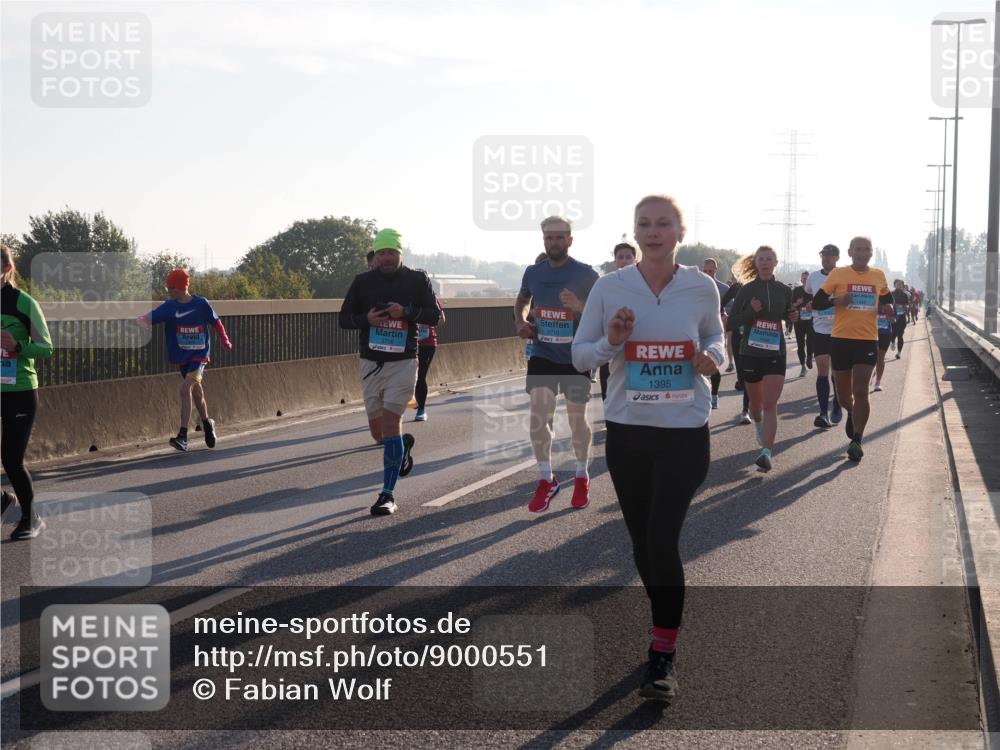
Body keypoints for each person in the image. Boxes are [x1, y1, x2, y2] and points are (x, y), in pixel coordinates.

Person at [572, 194, 723, 701]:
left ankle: (662, 656)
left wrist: (712, 358)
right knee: (641, 544)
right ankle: (664, 617)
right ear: (635, 232)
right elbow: (579, 355)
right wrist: (612, 341)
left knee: (662, 540)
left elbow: (715, 336)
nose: (653, 231)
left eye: (663, 224)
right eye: (644, 224)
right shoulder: (609, 286)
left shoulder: (701, 288)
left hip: (684, 431)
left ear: (680, 231)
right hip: (628, 432)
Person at [340, 228, 439, 516]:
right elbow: (344, 319)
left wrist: (406, 312)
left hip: (404, 361)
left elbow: (434, 316)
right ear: (376, 254)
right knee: (378, 431)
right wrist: (366, 319)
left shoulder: (417, 279)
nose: (386, 257)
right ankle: (401, 448)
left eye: (391, 252)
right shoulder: (362, 282)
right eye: (381, 252)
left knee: (393, 421)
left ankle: (387, 494)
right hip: (371, 361)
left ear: (400, 253)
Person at [515, 216, 599, 512]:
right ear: (544, 241)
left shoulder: (587, 274)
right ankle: (546, 478)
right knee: (538, 417)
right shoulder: (533, 272)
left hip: (576, 355)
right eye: (548, 238)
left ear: (570, 240)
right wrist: (521, 320)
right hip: (543, 354)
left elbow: (603, 312)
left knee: (578, 421)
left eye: (559, 238)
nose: (553, 243)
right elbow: (522, 299)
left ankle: (581, 474)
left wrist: (579, 307)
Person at [811, 236, 893, 462]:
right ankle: (850, 411)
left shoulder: (878, 275)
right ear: (850, 252)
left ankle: (857, 439)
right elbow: (817, 303)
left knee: (861, 390)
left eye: (867, 249)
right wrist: (837, 301)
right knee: (844, 396)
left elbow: (888, 300)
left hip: (867, 340)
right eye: (858, 249)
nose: (862, 252)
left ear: (871, 253)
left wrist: (888, 308)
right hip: (840, 340)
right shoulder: (838, 274)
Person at [137, 269, 232, 452]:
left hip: (199, 355)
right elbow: (150, 317)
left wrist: (225, 339)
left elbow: (216, 322)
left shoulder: (201, 304)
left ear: (181, 287)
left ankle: (182, 436)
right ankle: (207, 423)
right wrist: (140, 320)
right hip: (183, 357)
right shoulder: (170, 306)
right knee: (196, 393)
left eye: (171, 287)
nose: (168, 291)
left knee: (184, 389)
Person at [726, 246, 794, 472]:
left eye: (769, 259)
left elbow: (786, 315)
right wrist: (751, 312)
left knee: (769, 404)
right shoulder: (746, 290)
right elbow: (732, 323)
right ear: (756, 263)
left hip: (775, 353)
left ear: (776, 262)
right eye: (761, 259)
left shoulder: (784, 290)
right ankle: (758, 424)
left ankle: (766, 453)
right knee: (756, 407)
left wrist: (790, 316)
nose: (765, 262)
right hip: (751, 353)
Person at [1, 245, 52, 540]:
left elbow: (46, 347)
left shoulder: (24, 303)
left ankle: (30, 517)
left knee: (11, 459)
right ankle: (2, 501)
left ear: (7, 269)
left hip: (19, 389)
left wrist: (18, 347)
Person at [804, 245, 843, 428]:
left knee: (837, 371)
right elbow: (806, 297)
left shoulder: (843, 275)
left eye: (829, 255)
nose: (825, 258)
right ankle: (822, 413)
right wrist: (809, 305)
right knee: (822, 370)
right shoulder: (813, 277)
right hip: (819, 329)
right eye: (823, 255)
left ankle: (836, 403)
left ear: (837, 257)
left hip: (840, 330)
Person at [600, 242, 638, 400]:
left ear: (635, 260)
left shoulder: (644, 284)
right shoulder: (605, 285)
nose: (624, 260)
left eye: (628, 257)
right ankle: (608, 409)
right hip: (610, 339)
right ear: (615, 262)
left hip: (636, 340)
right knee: (607, 373)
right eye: (620, 257)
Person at [702, 258, 729, 410]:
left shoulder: (723, 288)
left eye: (710, 271)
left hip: (715, 332)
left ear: (715, 271)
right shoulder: (696, 286)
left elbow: (732, 307)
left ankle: (714, 396)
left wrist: (726, 315)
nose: (707, 274)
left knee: (714, 364)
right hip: (699, 330)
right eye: (705, 271)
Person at [414, 298, 445, 421]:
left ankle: (421, 409)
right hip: (409, 342)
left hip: (427, 343)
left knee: (421, 375)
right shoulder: (405, 296)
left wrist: (425, 322)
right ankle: (415, 400)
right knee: (409, 376)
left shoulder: (431, 298)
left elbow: (442, 320)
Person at [791, 270, 814, 377]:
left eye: (807, 279)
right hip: (799, 321)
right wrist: (797, 303)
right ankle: (803, 366)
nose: (806, 280)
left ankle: (809, 356)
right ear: (801, 280)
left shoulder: (814, 290)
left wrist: (813, 304)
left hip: (811, 321)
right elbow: (790, 306)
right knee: (800, 344)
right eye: (804, 279)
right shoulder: (796, 291)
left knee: (810, 341)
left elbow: (820, 305)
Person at [873, 308, 893, 391]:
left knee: (880, 358)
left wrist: (889, 318)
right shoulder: (872, 298)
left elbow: (894, 319)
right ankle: (871, 372)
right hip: (870, 333)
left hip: (885, 334)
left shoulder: (890, 302)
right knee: (873, 357)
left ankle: (878, 382)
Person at [891, 280, 910, 359]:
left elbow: (907, 305)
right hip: (893, 317)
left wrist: (904, 307)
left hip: (902, 317)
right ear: (895, 285)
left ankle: (899, 353)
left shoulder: (905, 295)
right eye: (898, 284)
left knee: (900, 335)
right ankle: (892, 342)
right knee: (893, 333)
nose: (899, 286)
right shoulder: (891, 294)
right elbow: (888, 304)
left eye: (901, 284)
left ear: (903, 286)